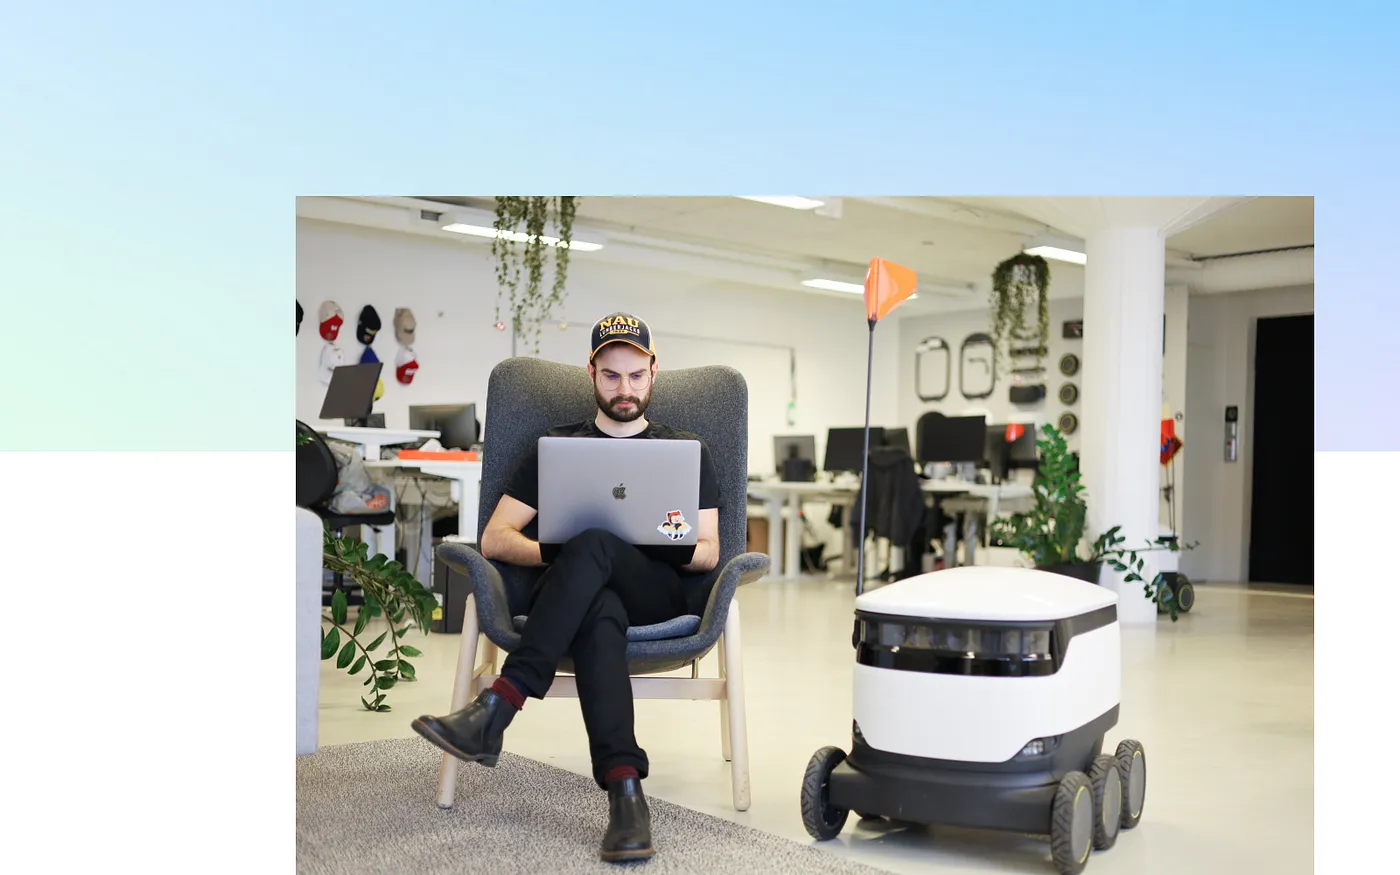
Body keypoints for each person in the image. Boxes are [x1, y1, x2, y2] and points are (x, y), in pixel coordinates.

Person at [412, 312, 721, 863]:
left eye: (635, 375)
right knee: (596, 606)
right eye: (610, 375)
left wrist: (617, 545)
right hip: (575, 597)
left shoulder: (685, 451)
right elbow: (496, 538)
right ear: (591, 373)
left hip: (656, 591)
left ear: (653, 371)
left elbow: (708, 552)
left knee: (595, 542)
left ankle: (499, 706)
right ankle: (626, 794)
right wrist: (564, 552)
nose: (623, 389)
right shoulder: (555, 447)